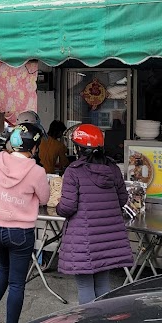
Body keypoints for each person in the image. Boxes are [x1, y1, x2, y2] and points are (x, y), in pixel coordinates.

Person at [56, 123, 133, 305]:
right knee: (103, 282)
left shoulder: (73, 172)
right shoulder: (113, 169)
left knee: (85, 286)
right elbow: (123, 200)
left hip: (84, 239)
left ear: (78, 148)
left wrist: (58, 207)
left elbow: (67, 207)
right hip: (108, 238)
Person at [0, 123, 50, 323]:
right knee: (17, 283)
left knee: (3, 268)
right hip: (20, 232)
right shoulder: (36, 171)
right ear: (34, 147)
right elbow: (44, 198)